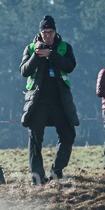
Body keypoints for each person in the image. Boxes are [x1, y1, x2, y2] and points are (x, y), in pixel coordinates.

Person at [20, 15, 79, 184]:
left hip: (60, 101)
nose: (47, 35)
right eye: (44, 32)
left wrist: (51, 55)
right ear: (40, 33)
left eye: (50, 32)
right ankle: (37, 177)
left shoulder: (64, 48)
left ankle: (56, 172)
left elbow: (70, 66)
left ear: (55, 32)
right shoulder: (31, 48)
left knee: (68, 134)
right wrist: (36, 55)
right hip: (37, 102)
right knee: (35, 139)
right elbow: (24, 71)